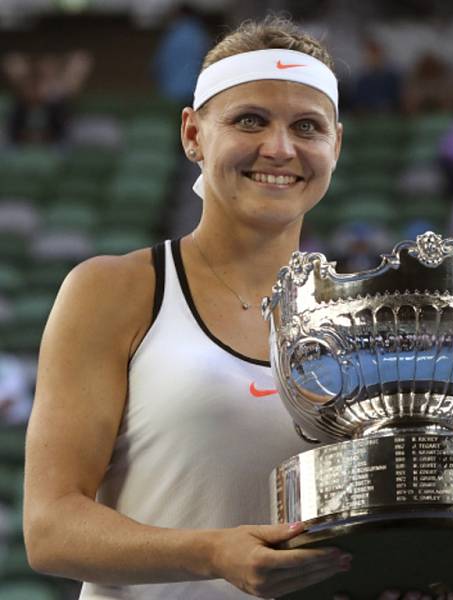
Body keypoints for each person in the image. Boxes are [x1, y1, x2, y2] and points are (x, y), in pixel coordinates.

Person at [23, 17, 352, 599]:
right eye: (250, 120)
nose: (279, 148)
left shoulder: (361, 315)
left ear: (336, 145)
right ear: (193, 134)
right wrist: (211, 552)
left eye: (307, 126)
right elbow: (50, 529)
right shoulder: (114, 290)